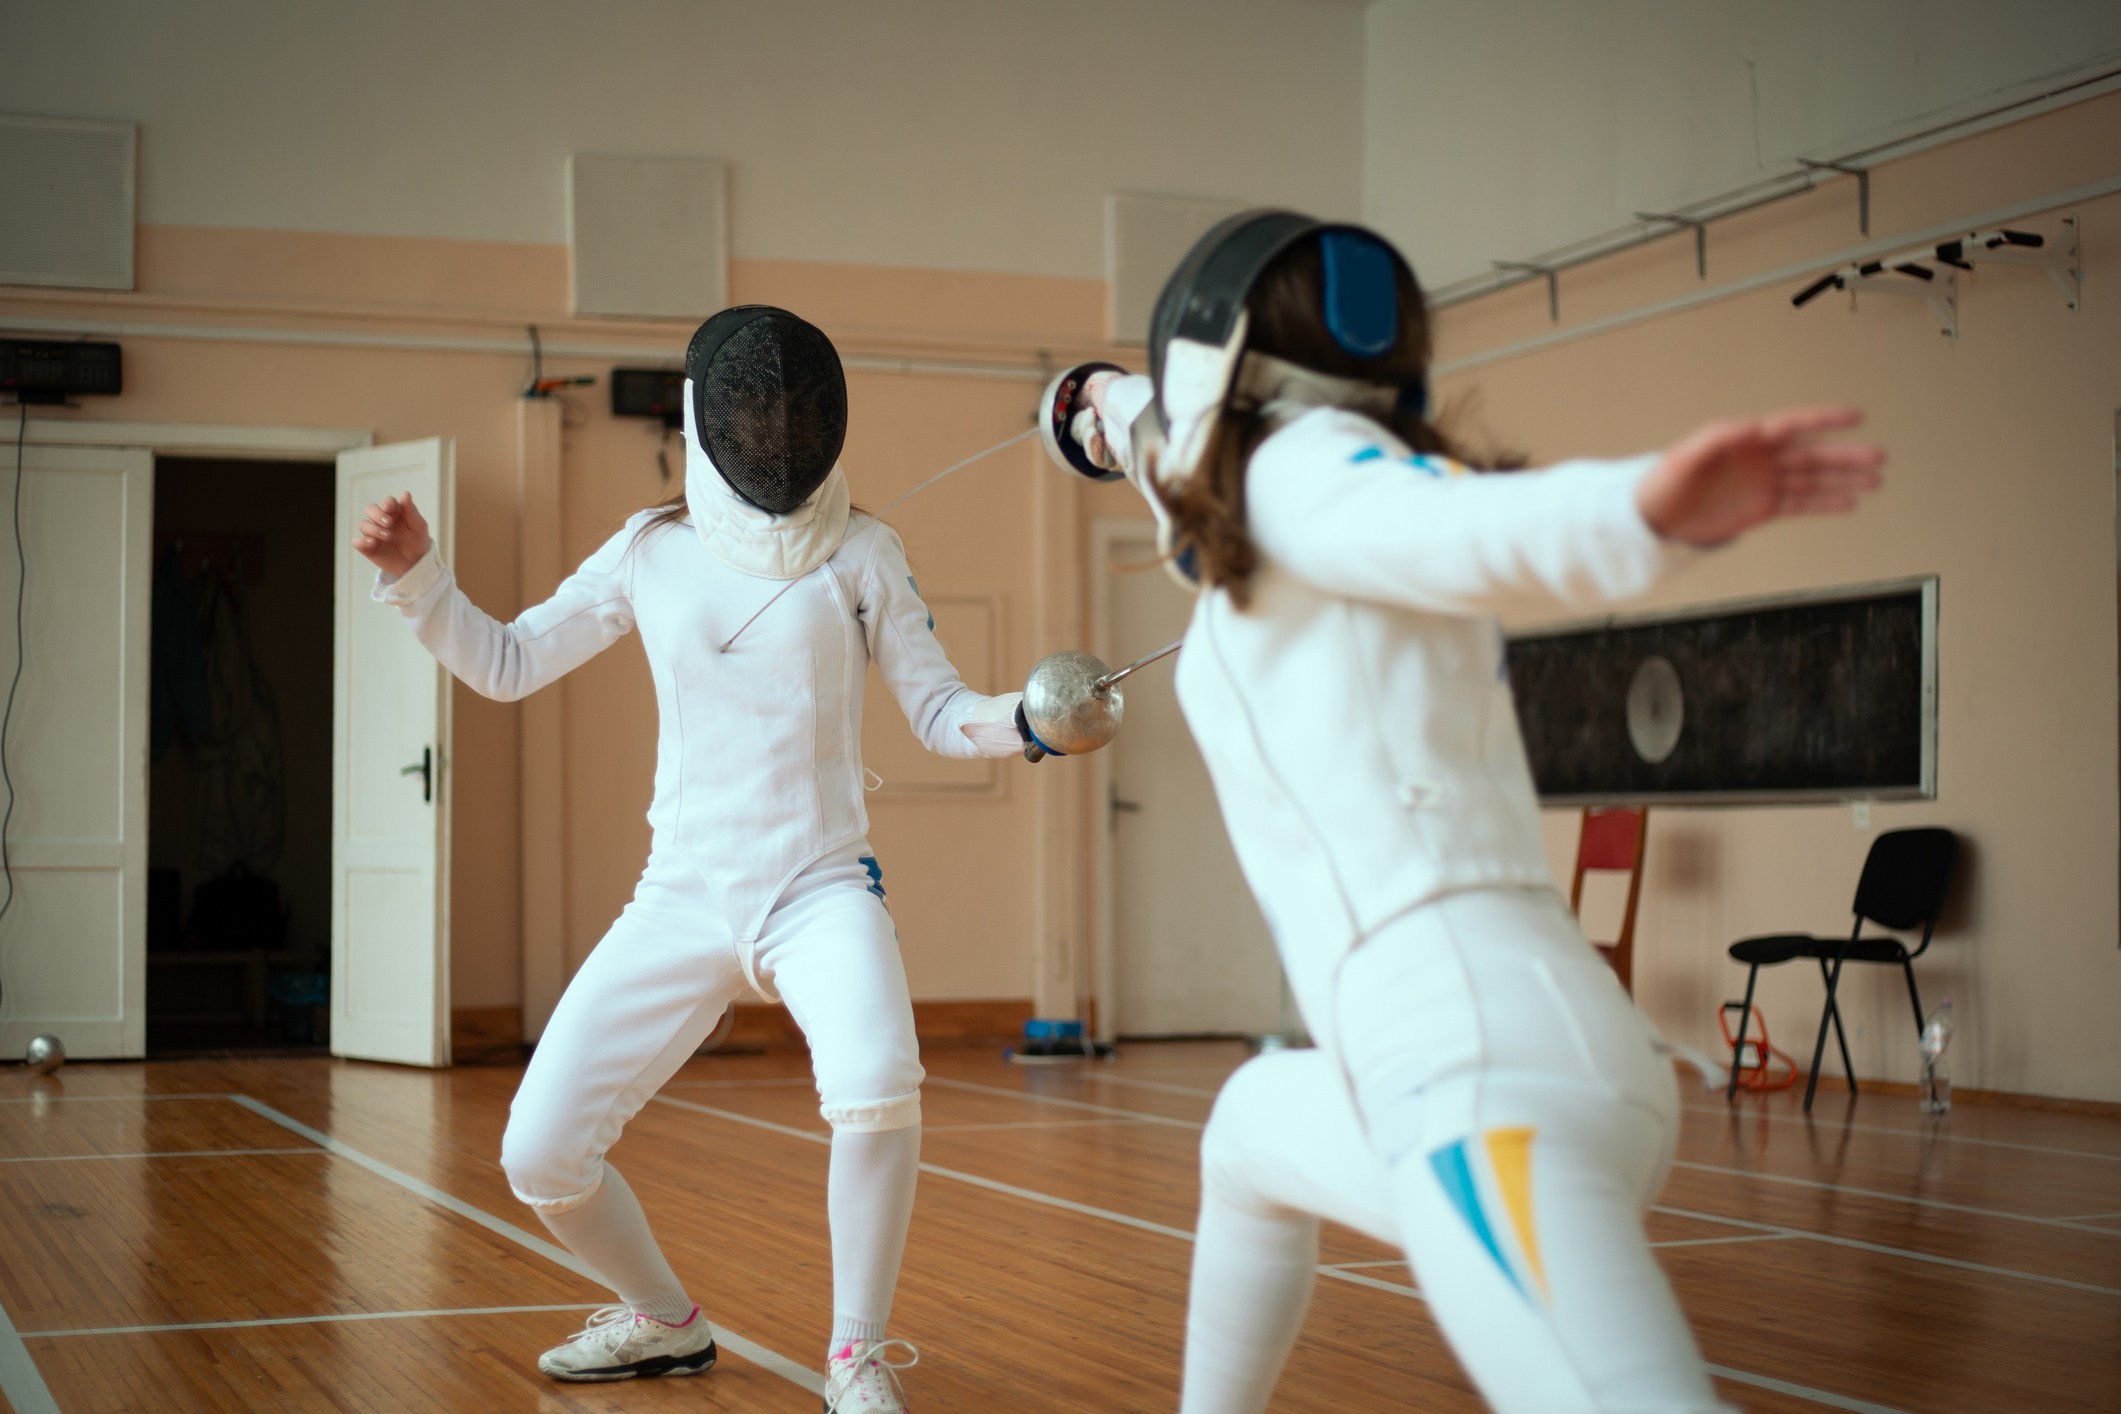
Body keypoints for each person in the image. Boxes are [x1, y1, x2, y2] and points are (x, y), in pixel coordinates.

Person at [1048, 212, 1882, 1413]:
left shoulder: (1305, 471)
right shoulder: (1269, 490)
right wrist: (1089, 407)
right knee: (1247, 1130)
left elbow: (1467, 525)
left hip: (1486, 1082)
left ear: (1209, 359)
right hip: (1486, 1049)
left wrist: (1638, 511)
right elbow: (1162, 447)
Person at [353, 306, 1031, 1412]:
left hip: (819, 886)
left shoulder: (863, 549)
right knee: (540, 1154)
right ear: (710, 415)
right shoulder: (649, 548)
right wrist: (422, 578)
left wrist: (1032, 718)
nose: (772, 424)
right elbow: (512, 661)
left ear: (821, 415)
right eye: (752, 404)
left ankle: (856, 1357)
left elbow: (942, 710)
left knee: (876, 1085)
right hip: (682, 894)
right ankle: (664, 1321)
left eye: (791, 405)